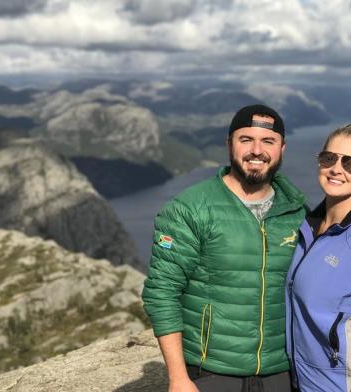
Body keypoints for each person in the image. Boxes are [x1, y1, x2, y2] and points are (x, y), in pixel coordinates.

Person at [142, 104, 307, 392]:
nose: (257, 150)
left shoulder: (297, 211)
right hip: (211, 373)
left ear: (282, 147)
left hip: (282, 373)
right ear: (229, 143)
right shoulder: (190, 208)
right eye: (246, 140)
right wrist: (178, 378)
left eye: (268, 141)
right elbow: (162, 293)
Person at [286, 125, 351, 392]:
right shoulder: (307, 227)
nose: (336, 168)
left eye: (349, 162)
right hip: (301, 382)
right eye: (329, 158)